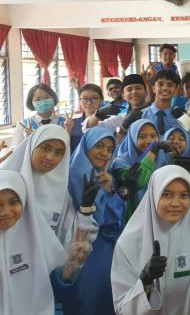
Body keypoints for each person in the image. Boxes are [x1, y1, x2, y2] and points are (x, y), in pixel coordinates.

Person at [111, 165, 190, 314]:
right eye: (167, 195)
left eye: (184, 195)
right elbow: (122, 309)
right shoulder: (129, 243)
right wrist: (145, 280)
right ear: (154, 195)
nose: (175, 203)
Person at [0, 169, 82, 315]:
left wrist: (69, 269)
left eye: (13, 202)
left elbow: (54, 285)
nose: (5, 211)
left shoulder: (38, 236)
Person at [68, 127, 127, 315]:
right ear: (86, 146)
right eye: (99, 146)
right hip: (82, 251)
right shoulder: (73, 176)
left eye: (110, 149)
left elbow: (114, 218)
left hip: (105, 248)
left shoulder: (103, 176)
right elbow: (102, 219)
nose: (104, 153)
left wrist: (110, 189)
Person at [83, 74, 149, 137]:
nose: (134, 92)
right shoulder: (121, 119)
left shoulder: (153, 113)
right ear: (123, 95)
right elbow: (88, 127)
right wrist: (99, 114)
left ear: (146, 92)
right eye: (129, 89)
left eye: (138, 88)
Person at [10, 83, 65, 150]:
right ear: (31, 102)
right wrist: (27, 140)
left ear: (54, 98)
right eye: (38, 99)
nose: (43, 102)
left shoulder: (65, 123)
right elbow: (15, 152)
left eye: (47, 98)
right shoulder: (23, 125)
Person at [141, 70, 182, 136]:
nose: (165, 88)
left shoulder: (181, 117)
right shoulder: (141, 115)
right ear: (153, 88)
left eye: (170, 85)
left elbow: (189, 140)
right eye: (160, 84)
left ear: (176, 90)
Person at [66, 83, 104, 154]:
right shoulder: (72, 123)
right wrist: (67, 131)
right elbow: (65, 148)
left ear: (101, 100)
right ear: (79, 101)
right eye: (85, 99)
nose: (89, 102)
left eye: (94, 98)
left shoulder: (110, 122)